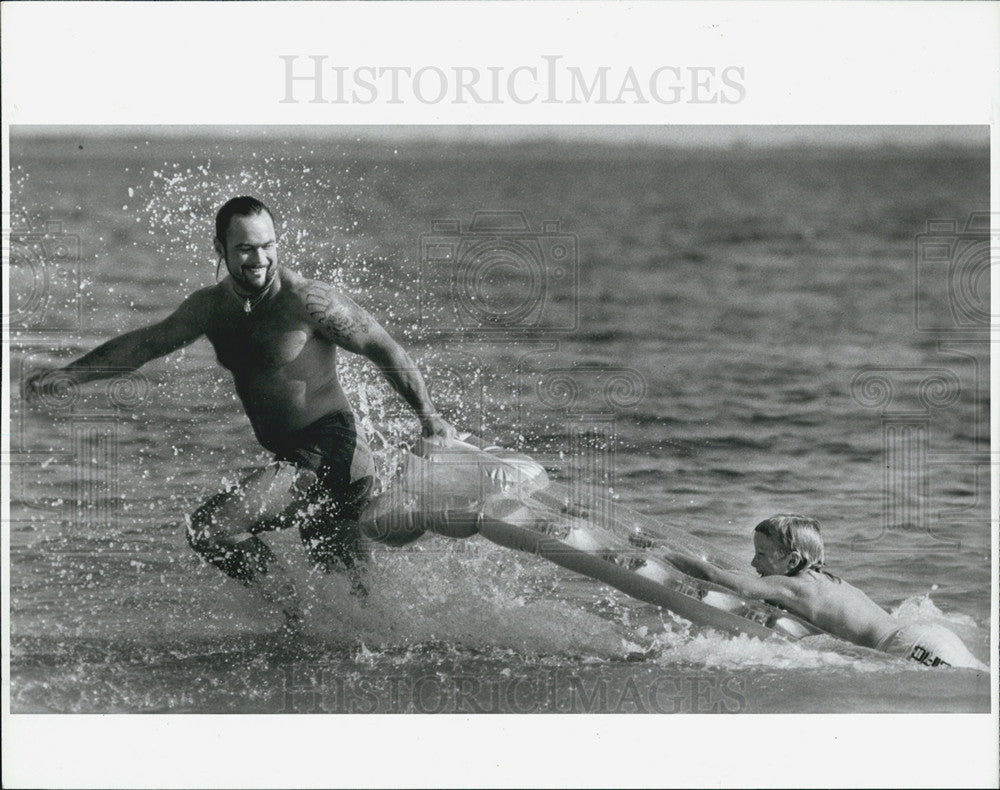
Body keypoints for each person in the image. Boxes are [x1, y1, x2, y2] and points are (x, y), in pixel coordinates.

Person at [25, 195, 456, 629]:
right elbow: (144, 345)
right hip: (298, 458)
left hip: (331, 450)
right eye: (246, 248)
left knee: (212, 528)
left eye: (267, 245)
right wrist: (72, 376)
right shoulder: (210, 308)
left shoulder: (309, 301)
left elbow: (384, 348)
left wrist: (428, 416)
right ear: (220, 249)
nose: (259, 259)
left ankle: (294, 623)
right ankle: (390, 643)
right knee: (356, 616)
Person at [665, 514, 985, 670]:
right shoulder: (827, 580)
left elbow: (731, 583)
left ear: (791, 560)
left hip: (907, 647)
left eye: (761, 555)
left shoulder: (793, 584)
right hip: (926, 634)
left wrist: (671, 557)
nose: (753, 561)